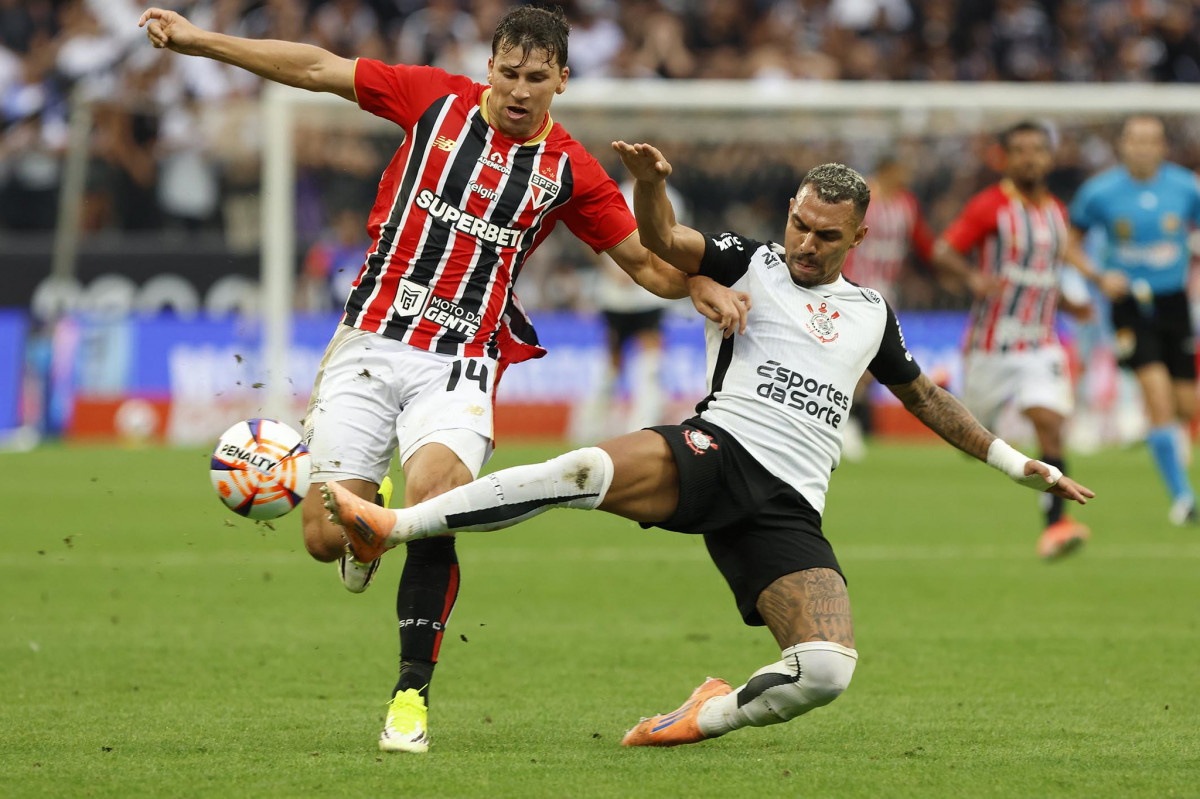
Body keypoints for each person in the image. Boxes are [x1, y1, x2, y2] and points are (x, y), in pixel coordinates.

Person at [323, 145, 1094, 748]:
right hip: (715, 449)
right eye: (800, 224)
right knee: (586, 469)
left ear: (859, 236)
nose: (806, 243)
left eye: (828, 235)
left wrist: (1016, 462)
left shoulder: (871, 313)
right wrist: (651, 186)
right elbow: (663, 241)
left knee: (827, 670)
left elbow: (925, 396)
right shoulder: (747, 257)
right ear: (789, 211)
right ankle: (393, 524)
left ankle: (704, 713)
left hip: (788, 505)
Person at [138, 5, 749, 754]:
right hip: (369, 340)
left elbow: (645, 264)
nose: (519, 90)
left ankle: (409, 697)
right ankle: (370, 514)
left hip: (460, 361)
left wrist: (695, 283)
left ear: (562, 78)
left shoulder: (569, 169)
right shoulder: (433, 98)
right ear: (488, 67)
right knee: (327, 539)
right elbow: (317, 68)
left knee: (436, 503)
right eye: (508, 73)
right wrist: (201, 40)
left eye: (536, 78)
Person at [932, 120, 1094, 560]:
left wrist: (1072, 304)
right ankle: (955, 397)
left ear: (1049, 157)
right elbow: (943, 251)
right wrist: (972, 277)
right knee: (971, 440)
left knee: (1049, 423)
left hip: (1041, 343)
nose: (1029, 158)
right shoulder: (989, 206)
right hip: (991, 345)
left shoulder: (1057, 211)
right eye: (1020, 150)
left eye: (1037, 150)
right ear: (1005, 158)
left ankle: (1056, 526)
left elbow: (1044, 275)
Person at [1069, 115, 1200, 525]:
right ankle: (1183, 499)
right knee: (1156, 395)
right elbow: (1068, 242)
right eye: (1135, 140)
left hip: (1174, 303)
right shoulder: (1100, 192)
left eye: (1150, 140)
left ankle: (1164, 439)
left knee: (1187, 404)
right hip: (1128, 305)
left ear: (1163, 146)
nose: (1142, 147)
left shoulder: (1186, 187)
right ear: (1123, 145)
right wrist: (1097, 277)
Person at [569, 180, 688, 443]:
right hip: (616, 297)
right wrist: (613, 267)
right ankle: (587, 429)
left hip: (651, 295)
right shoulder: (615, 193)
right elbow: (589, 234)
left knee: (650, 364)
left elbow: (676, 241)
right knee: (612, 363)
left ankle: (642, 427)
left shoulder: (671, 198)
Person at [839, 153, 936, 460]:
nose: (905, 177)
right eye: (900, 171)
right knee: (857, 359)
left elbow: (921, 242)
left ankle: (843, 420)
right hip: (853, 286)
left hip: (887, 295)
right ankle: (843, 422)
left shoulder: (907, 204)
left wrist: (940, 265)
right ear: (885, 171)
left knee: (869, 362)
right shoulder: (861, 198)